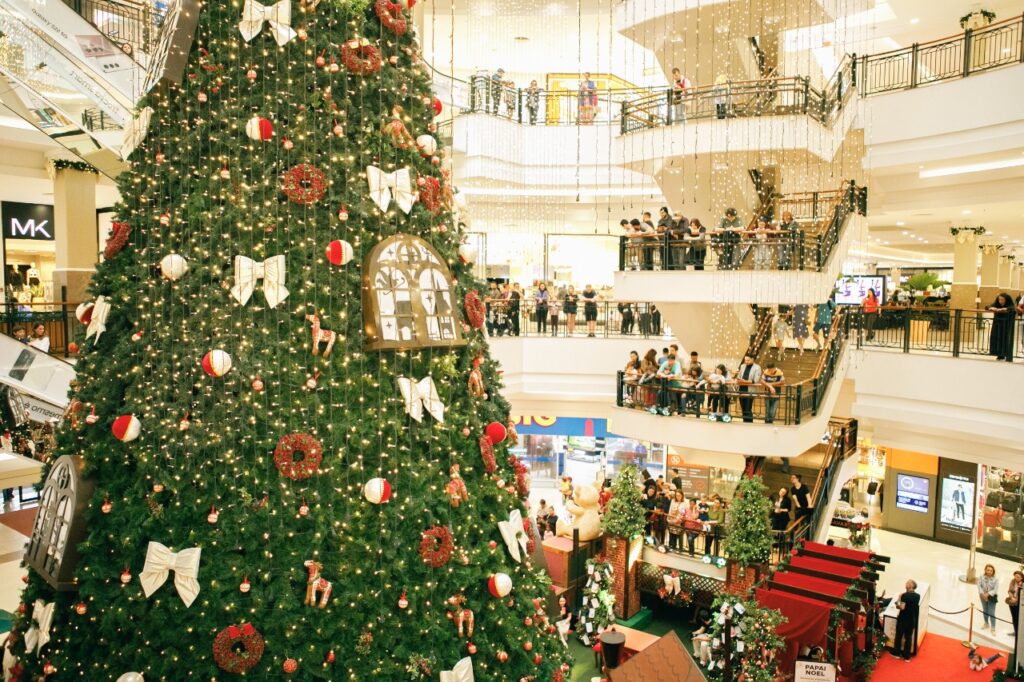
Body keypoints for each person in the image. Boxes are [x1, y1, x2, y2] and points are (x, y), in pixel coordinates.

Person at [893, 579, 921, 661]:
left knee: (898, 636)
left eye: (908, 583)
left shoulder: (905, 595)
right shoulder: (918, 596)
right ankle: (906, 656)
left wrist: (899, 598)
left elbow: (901, 607)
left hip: (903, 619)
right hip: (912, 620)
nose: (906, 583)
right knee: (908, 638)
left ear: (912, 585)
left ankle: (896, 653)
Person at [986, 292, 1016, 361]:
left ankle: (1006, 354)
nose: (1000, 301)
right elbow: (987, 306)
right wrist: (991, 308)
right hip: (997, 325)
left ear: (1006, 300)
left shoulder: (1010, 304)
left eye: (1002, 300)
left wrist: (1004, 309)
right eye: (999, 299)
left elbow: (1012, 308)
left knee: (1005, 339)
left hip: (1006, 325)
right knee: (997, 338)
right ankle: (999, 354)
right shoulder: (997, 303)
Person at [735, 354, 762, 422]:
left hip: (750, 390)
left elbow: (756, 380)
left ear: (752, 359)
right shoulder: (742, 366)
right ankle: (745, 421)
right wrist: (738, 379)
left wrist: (745, 381)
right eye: (745, 360)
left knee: (748, 408)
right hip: (741, 389)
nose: (746, 361)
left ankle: (749, 422)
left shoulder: (757, 367)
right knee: (743, 407)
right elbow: (739, 376)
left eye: (748, 360)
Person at [978, 564, 999, 633]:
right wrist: (982, 593)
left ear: (993, 571)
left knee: (991, 612)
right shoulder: (981, 577)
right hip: (982, 596)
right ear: (985, 570)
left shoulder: (996, 579)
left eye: (991, 570)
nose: (989, 572)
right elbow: (979, 585)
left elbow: (995, 590)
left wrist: (988, 594)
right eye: (988, 570)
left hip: (991, 597)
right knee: (985, 610)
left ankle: (993, 627)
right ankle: (986, 623)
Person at [1008, 570, 1023, 639]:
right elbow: (1009, 590)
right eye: (1015, 576)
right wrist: (1011, 597)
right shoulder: (1013, 581)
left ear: (1022, 578)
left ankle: (1019, 633)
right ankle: (1015, 631)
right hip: (1012, 603)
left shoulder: (1022, 584)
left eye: (1018, 577)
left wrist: (1016, 599)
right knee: (1014, 618)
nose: (1016, 578)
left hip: (1019, 604)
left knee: (1019, 619)